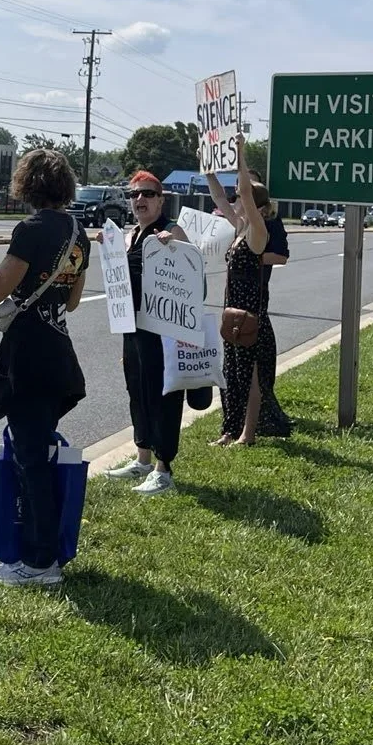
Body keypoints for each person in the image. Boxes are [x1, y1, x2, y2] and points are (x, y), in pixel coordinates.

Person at [0, 149, 89, 589]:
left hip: (27, 357)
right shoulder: (78, 230)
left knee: (32, 462)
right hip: (59, 354)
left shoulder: (31, 229)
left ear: (27, 184)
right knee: (37, 453)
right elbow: (73, 300)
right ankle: (41, 550)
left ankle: (41, 563)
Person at [104, 170, 189, 496]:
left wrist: (176, 249)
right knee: (137, 392)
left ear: (161, 200)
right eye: (134, 194)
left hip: (163, 332)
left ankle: (163, 469)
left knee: (163, 397)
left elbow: (193, 280)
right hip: (134, 329)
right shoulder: (130, 236)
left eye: (148, 194)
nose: (140, 199)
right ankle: (142, 457)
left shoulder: (171, 231)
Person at [205, 137, 291, 446]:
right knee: (231, 373)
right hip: (232, 308)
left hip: (252, 310)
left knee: (251, 375)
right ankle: (229, 429)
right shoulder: (239, 228)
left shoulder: (258, 231)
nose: (236, 201)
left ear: (254, 204)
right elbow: (219, 196)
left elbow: (243, 190)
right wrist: (208, 169)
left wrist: (241, 154)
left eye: (242, 199)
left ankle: (248, 434)